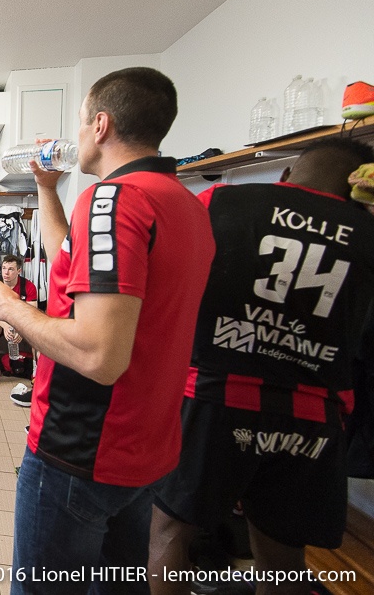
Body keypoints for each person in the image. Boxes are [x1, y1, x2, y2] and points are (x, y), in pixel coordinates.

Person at [0, 68, 215, 592]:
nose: (79, 133)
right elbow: (72, 258)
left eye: (82, 121)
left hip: (81, 450)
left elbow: (98, 355)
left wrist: (8, 306)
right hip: (147, 447)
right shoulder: (185, 205)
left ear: (101, 124)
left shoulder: (113, 199)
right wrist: (47, 188)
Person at [149, 138, 374, 595]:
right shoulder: (366, 231)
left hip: (216, 393)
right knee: (281, 555)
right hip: (313, 413)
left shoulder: (221, 200)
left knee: (172, 530)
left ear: (287, 176)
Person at [0, 254, 37, 392]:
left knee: (37, 331)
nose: (6, 272)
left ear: (19, 271)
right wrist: (5, 326)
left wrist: (19, 328)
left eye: (11, 269)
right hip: (1, 322)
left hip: (22, 322)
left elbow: (32, 313)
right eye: (4, 268)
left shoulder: (28, 286)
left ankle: (37, 373)